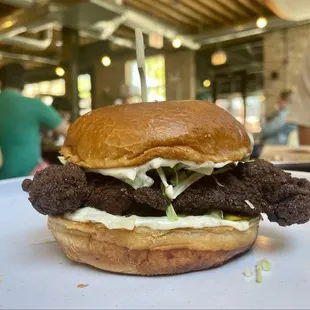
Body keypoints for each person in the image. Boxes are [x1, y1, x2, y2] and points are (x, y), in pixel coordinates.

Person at [0, 63, 69, 179]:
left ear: (2, 82)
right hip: (30, 178)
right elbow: (70, 132)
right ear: (23, 82)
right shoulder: (34, 105)